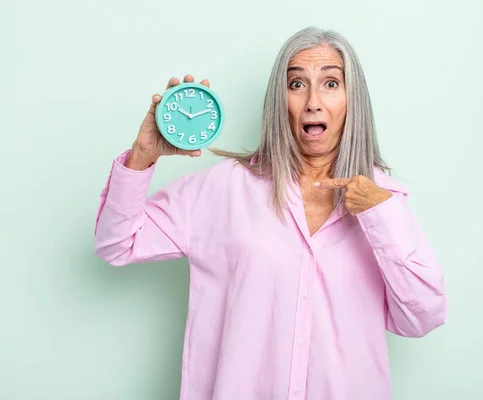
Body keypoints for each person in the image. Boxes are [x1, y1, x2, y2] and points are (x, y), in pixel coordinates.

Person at [94, 26, 447, 400]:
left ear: (352, 99)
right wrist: (141, 156)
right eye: (297, 84)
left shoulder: (384, 201)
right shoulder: (222, 189)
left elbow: (421, 318)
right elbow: (117, 244)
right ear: (279, 100)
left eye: (330, 84)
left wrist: (381, 217)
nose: (313, 101)